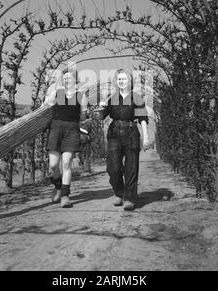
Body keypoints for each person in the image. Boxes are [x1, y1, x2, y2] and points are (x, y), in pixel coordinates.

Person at [95, 69, 150, 211]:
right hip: (114, 133)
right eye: (119, 79)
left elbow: (143, 118)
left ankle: (130, 198)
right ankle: (118, 192)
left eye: (124, 79)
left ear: (130, 81)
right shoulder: (112, 98)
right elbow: (101, 116)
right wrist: (101, 106)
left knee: (131, 168)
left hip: (131, 133)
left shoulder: (136, 97)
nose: (121, 81)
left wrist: (146, 137)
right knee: (113, 167)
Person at [43, 69, 88, 208]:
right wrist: (51, 90)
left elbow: (82, 117)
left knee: (67, 163)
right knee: (53, 165)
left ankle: (65, 195)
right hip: (56, 128)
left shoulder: (81, 96)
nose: (66, 80)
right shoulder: (57, 93)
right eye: (64, 78)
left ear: (75, 80)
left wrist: (82, 118)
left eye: (69, 78)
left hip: (72, 130)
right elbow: (45, 105)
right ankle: (58, 186)